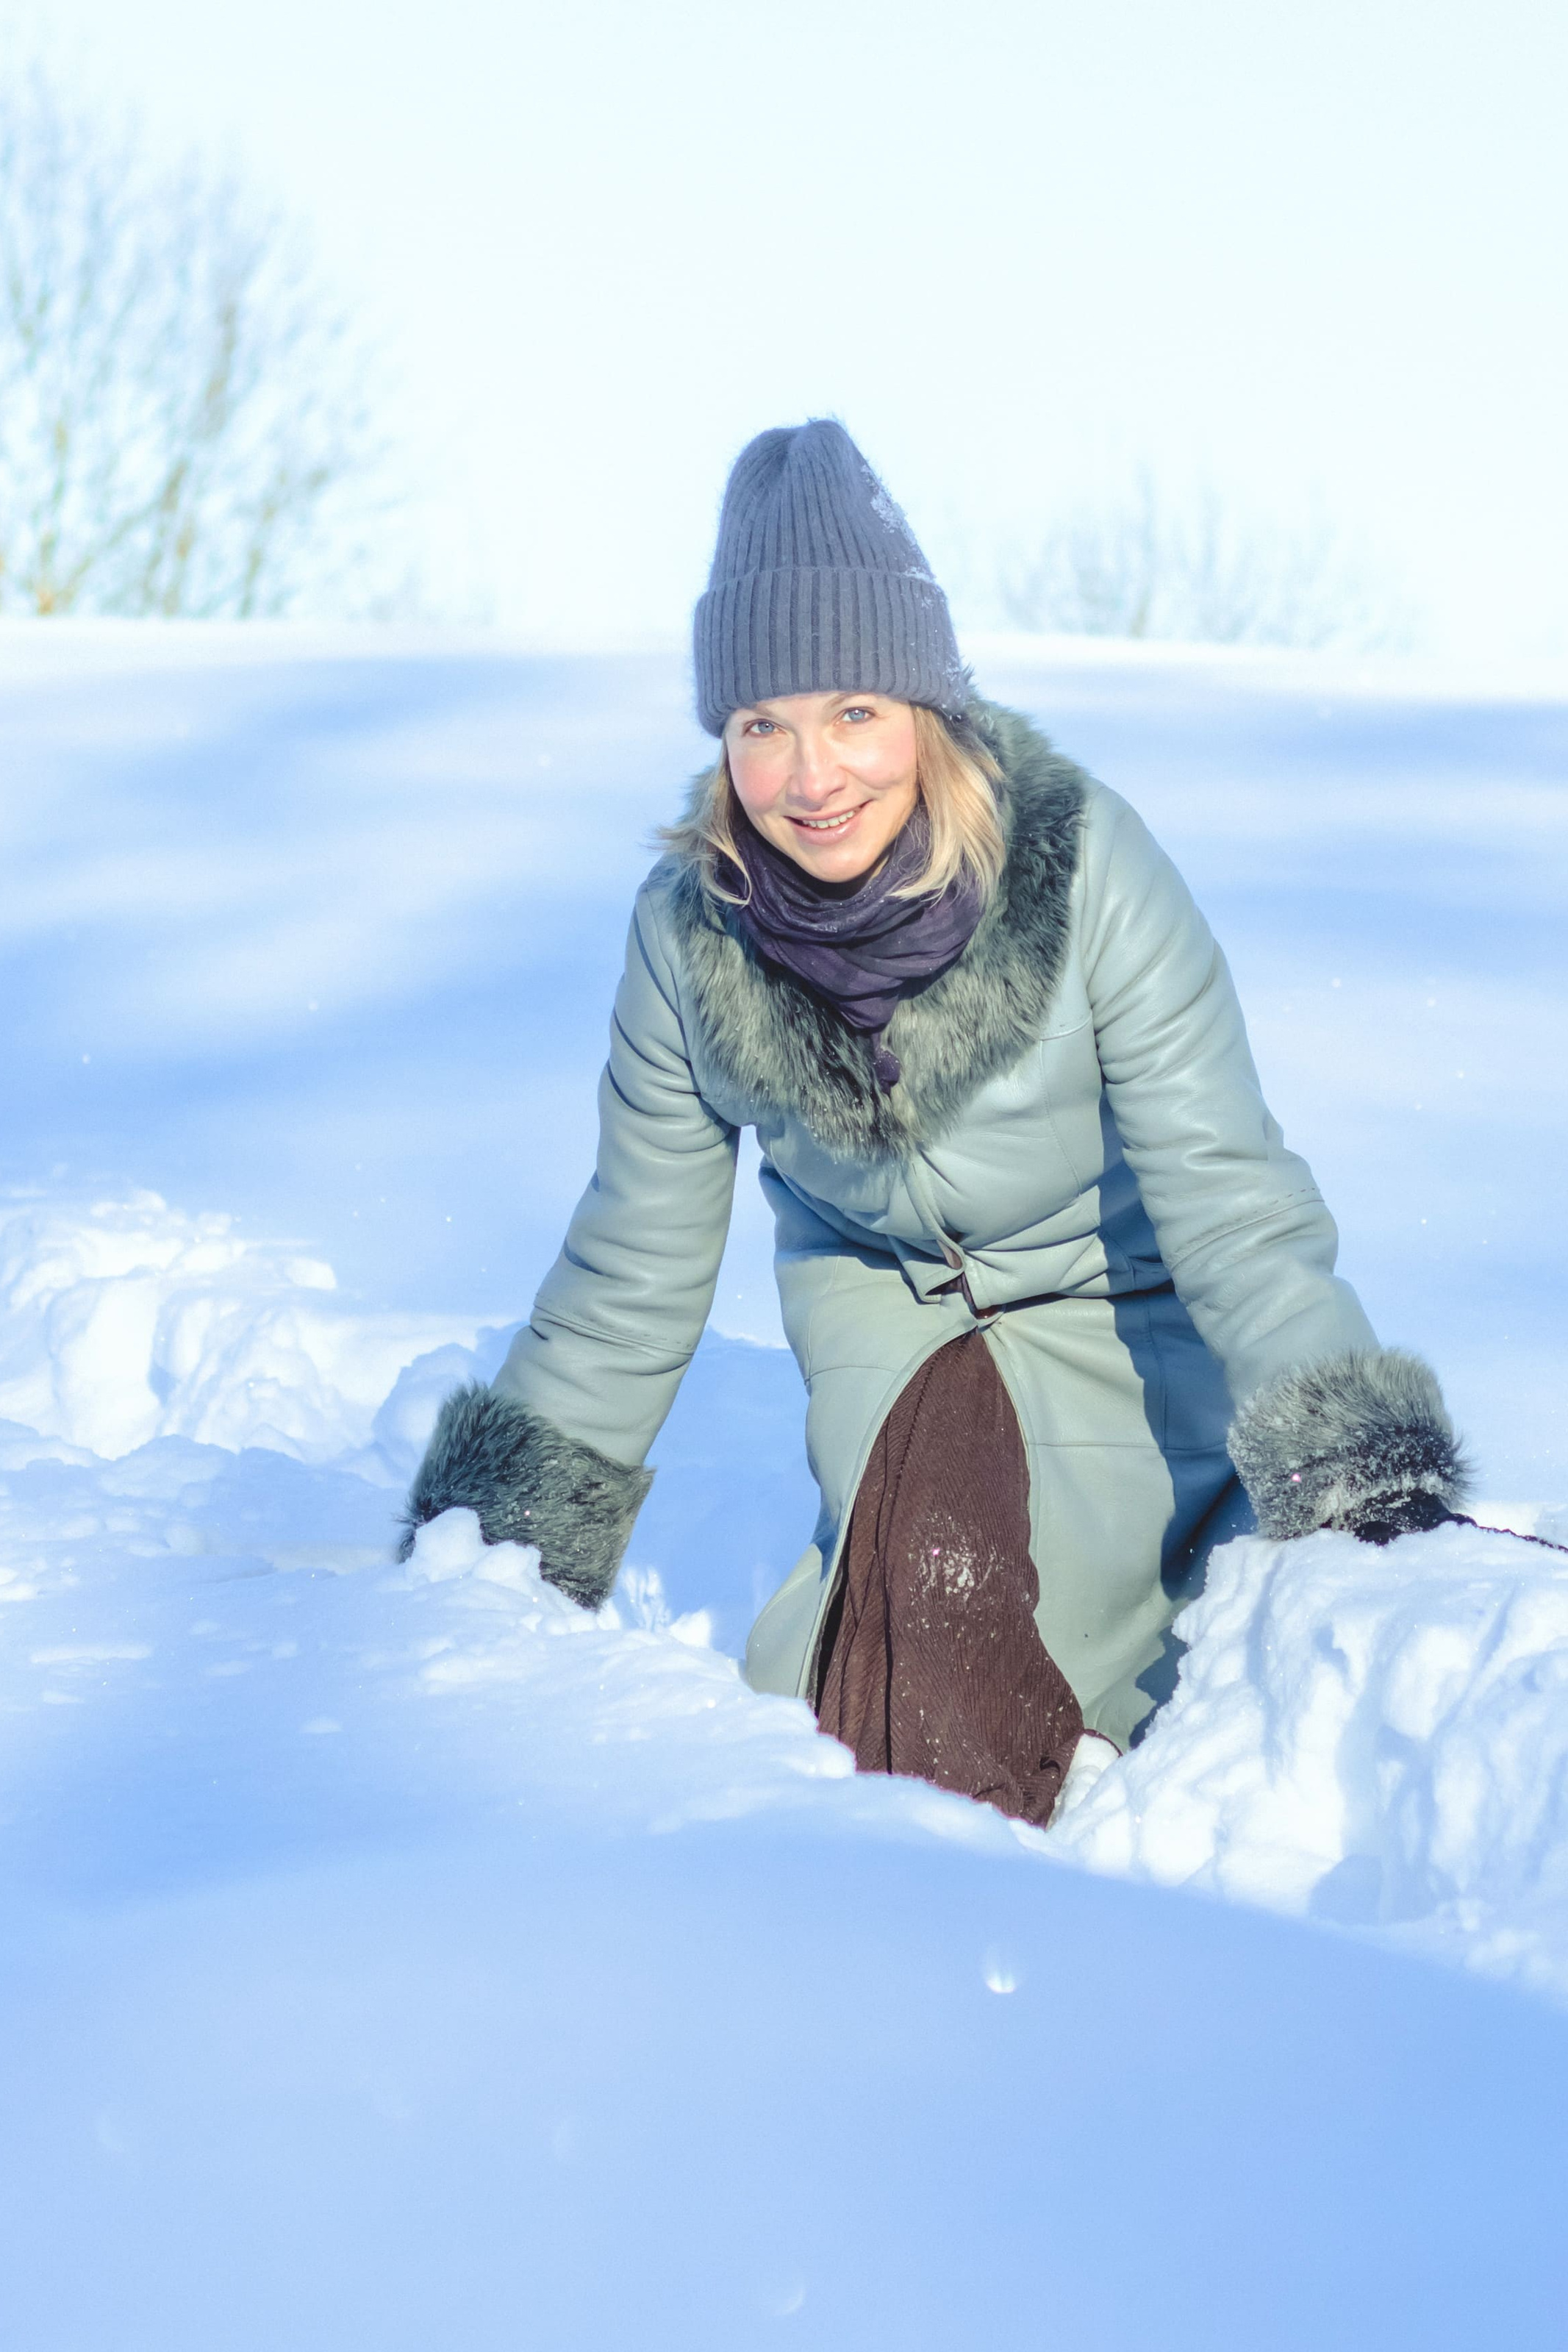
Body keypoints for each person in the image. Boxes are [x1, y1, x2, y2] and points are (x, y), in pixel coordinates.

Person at [401, 420, 1469, 1827]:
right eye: (761, 724)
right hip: (887, 1341)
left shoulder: (1083, 866)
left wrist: (1354, 1464)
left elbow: (1231, 1196)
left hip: (1125, 1329)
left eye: (852, 711)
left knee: (1107, 1643)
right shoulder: (688, 935)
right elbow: (630, 1268)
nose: (808, 775)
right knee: (905, 1636)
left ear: (926, 710)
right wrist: (497, 1544)